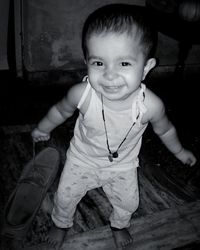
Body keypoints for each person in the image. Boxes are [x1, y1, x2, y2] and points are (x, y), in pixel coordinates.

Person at [31, 4, 197, 249]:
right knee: (65, 197)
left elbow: (165, 130)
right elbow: (60, 110)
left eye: (124, 64)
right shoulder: (82, 94)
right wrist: (42, 128)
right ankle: (61, 223)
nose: (109, 75)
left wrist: (180, 152)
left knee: (129, 202)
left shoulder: (150, 105)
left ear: (146, 67)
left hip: (123, 165)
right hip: (82, 159)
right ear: (87, 61)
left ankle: (119, 224)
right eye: (99, 63)